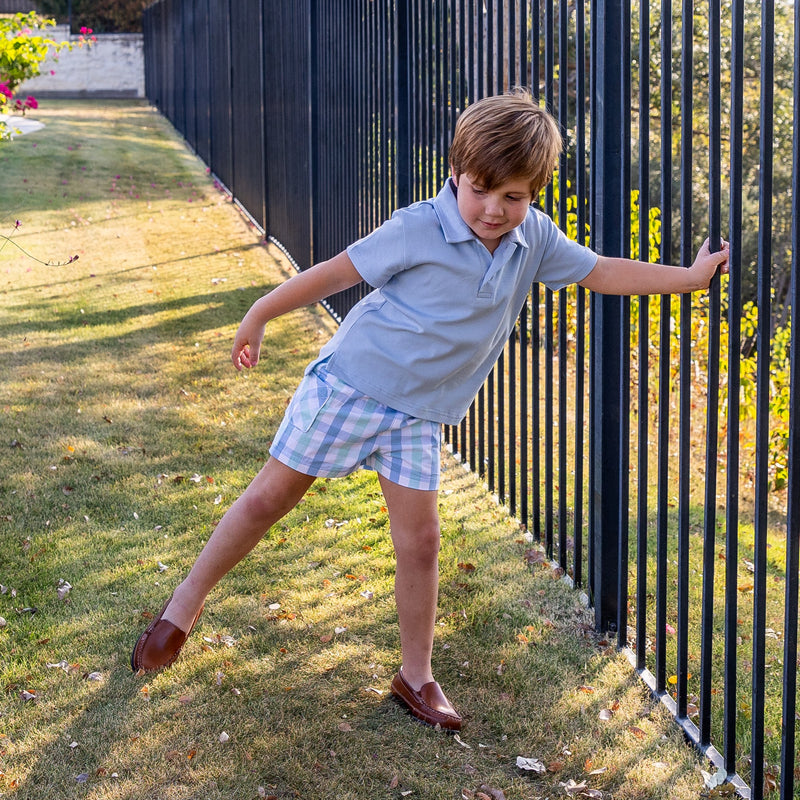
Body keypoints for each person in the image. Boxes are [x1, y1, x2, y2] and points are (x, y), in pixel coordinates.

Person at [131, 89, 730, 731]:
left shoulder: (535, 241)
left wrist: (688, 278)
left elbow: (604, 272)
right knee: (268, 500)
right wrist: (257, 315)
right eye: (481, 190)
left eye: (515, 197)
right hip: (352, 388)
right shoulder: (418, 225)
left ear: (534, 195)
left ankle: (415, 676)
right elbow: (334, 274)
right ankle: (180, 610)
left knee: (420, 541)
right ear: (455, 172)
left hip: (418, 416)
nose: (495, 210)